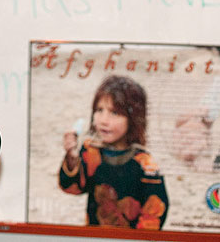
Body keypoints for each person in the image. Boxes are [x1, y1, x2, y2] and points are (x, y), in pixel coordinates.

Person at [59, 75, 168, 229]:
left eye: (114, 113)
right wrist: (71, 158)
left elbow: (155, 213)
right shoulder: (92, 152)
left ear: (133, 118)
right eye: (99, 110)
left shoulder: (145, 166)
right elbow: (72, 188)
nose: (103, 120)